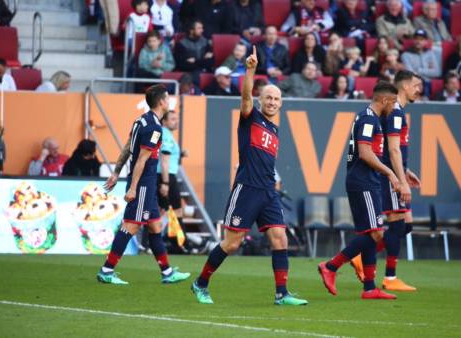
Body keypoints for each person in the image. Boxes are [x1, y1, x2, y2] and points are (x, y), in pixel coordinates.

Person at [190, 46, 308, 306]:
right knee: (231, 244)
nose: (272, 102)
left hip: (268, 191)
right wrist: (250, 71)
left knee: (280, 237)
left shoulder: (275, 129)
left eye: (276, 99)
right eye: (268, 98)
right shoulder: (250, 117)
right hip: (246, 189)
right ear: (260, 100)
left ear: (281, 103)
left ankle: (282, 294)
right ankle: (200, 283)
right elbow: (245, 97)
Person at [99, 85, 191, 285]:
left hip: (145, 186)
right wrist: (132, 187)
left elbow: (127, 148)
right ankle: (107, 270)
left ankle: (166, 272)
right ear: (161, 102)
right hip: (142, 186)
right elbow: (141, 159)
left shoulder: (141, 121)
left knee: (155, 226)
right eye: (168, 99)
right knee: (130, 227)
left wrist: (116, 172)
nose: (169, 102)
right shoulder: (155, 128)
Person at [318, 81, 400, 300]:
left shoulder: (369, 118)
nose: (394, 108)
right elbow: (364, 153)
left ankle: (370, 287)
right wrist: (390, 173)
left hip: (366, 180)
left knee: (369, 233)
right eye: (393, 103)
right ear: (384, 100)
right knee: (376, 233)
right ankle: (331, 266)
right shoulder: (368, 118)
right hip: (363, 181)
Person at [349, 71, 422, 291]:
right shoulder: (396, 113)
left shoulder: (394, 112)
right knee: (397, 223)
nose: (419, 90)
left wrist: (406, 171)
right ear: (405, 86)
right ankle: (388, 276)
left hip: (393, 172)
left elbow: (393, 150)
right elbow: (392, 149)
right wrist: (400, 179)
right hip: (388, 176)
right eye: (416, 85)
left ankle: (363, 258)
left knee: (404, 225)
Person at [157, 111, 187, 251]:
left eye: (177, 118)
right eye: (173, 119)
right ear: (164, 121)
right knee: (173, 211)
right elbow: (164, 161)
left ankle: (177, 242)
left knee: (173, 210)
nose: (176, 121)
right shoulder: (166, 134)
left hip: (167, 175)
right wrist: (165, 183)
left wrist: (180, 153)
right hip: (166, 176)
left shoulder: (166, 135)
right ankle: (178, 244)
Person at [401, 29, 440, 98]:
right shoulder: (406, 54)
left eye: (421, 39)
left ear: (426, 41)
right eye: (416, 39)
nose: (418, 41)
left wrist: (418, 70)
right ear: (413, 40)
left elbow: (437, 72)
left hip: (428, 84)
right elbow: (411, 74)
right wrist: (428, 71)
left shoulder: (431, 53)